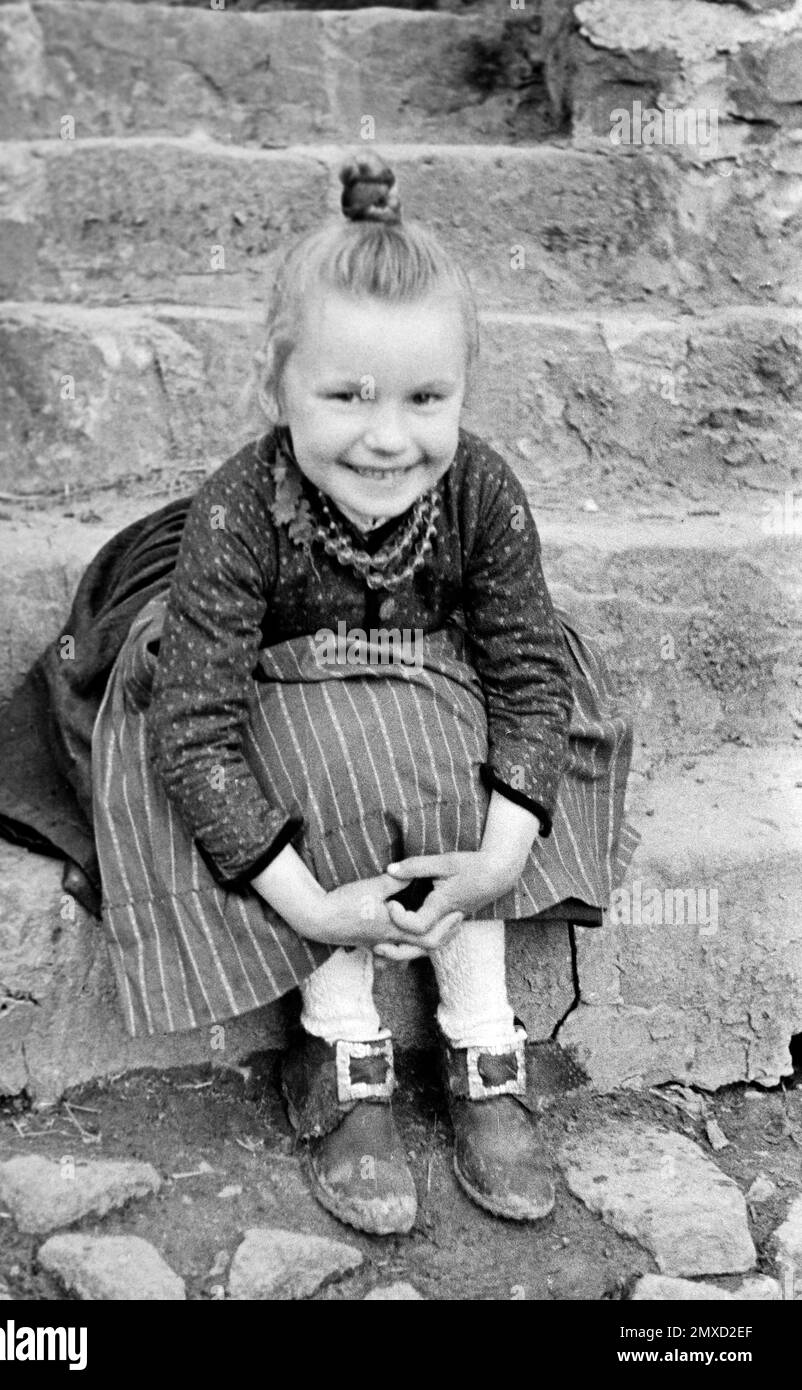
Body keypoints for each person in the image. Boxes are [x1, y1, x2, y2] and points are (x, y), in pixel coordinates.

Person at [63, 154, 636, 1237]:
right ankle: (337, 1042)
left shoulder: (477, 490)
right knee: (335, 757)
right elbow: (194, 734)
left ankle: (481, 1036)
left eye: (426, 399)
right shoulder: (242, 510)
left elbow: (523, 670)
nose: (387, 437)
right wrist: (318, 910)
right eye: (345, 396)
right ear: (276, 388)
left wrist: (504, 851)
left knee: (476, 759)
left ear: (465, 392)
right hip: (273, 705)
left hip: (430, 690)